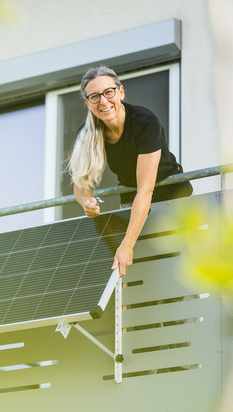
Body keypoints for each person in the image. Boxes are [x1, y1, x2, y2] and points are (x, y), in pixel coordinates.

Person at [69, 65, 192, 277]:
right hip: (131, 194)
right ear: (88, 103)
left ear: (121, 92)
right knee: (115, 236)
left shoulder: (145, 122)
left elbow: (146, 189)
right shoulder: (87, 133)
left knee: (172, 265)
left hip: (171, 193)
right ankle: (125, 287)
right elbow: (80, 187)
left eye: (109, 92)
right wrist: (86, 202)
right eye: (95, 96)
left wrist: (127, 244)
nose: (104, 101)